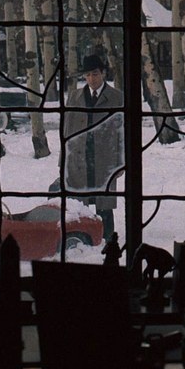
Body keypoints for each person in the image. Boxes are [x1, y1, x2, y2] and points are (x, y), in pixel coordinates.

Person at [59, 55, 124, 242]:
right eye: (87, 75)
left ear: (103, 73)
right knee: (80, 204)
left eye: (95, 74)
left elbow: (123, 131)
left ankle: (108, 240)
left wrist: (122, 162)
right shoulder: (75, 96)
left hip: (105, 158)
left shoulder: (117, 97)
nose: (91, 79)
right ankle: (85, 239)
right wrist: (63, 159)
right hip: (79, 157)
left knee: (104, 204)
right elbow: (67, 129)